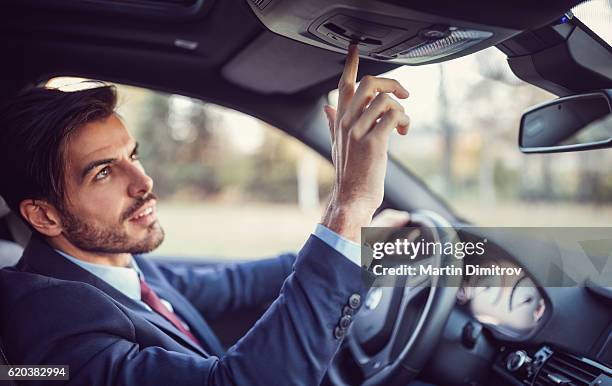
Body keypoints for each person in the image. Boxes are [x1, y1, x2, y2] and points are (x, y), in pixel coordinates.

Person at [0, 46, 412, 385]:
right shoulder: (51, 324)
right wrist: (348, 208)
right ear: (44, 216)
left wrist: (367, 244)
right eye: (104, 172)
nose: (143, 182)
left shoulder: (117, 265)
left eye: (133, 155)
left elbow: (234, 283)